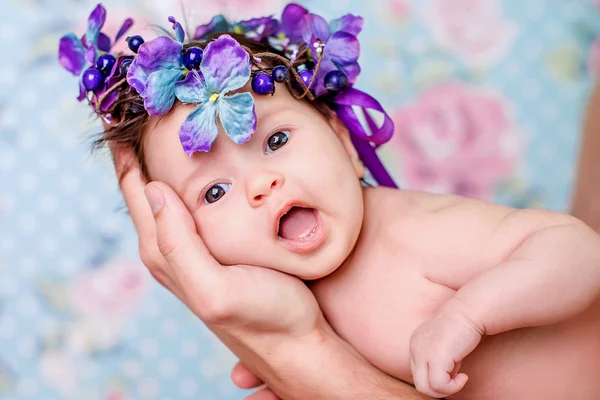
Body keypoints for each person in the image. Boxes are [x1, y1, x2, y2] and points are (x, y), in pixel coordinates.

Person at [59, 4, 600, 399]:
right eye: (214, 191)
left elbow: (578, 251)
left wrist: (468, 315)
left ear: (344, 143)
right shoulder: (281, 308)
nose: (260, 185)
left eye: (275, 141)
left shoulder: (412, 231)